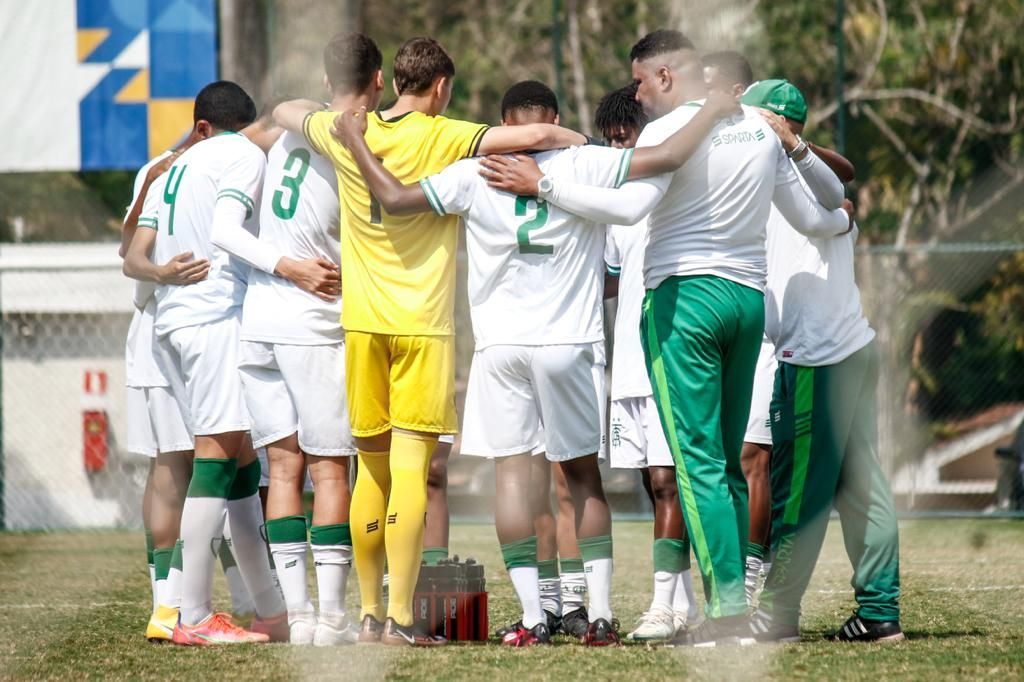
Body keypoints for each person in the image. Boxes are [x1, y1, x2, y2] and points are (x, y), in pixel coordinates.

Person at [480, 29, 854, 646]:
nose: (636, 94)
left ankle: (727, 613)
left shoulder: (663, 135)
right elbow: (821, 213)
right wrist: (817, 174)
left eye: (640, 81)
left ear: (666, 77)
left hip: (685, 304)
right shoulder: (761, 131)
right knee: (728, 463)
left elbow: (626, 211)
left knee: (696, 465)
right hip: (747, 304)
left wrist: (542, 185)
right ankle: (739, 606)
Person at [273, 38, 588, 646]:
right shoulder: (444, 135)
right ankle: (400, 619)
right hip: (422, 324)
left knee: (371, 470)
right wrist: (576, 142)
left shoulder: (341, 131)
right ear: (441, 87)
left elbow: (286, 110)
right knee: (412, 471)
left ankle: (366, 615)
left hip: (360, 322)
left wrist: (333, 118)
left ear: (393, 80)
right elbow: (530, 138)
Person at [331, 79, 629, 646]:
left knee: (513, 482)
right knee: (584, 477)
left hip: (501, 346)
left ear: (503, 122)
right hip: (569, 341)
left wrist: (355, 142)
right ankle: (602, 616)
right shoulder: (587, 162)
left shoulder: (474, 171)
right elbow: (653, 166)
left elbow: (391, 200)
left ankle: (534, 619)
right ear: (555, 120)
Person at [124, 81, 307, 645]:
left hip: (175, 323)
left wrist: (162, 276)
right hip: (215, 318)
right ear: (245, 123)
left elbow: (134, 253)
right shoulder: (242, 156)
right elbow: (229, 230)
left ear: (202, 122)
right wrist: (288, 266)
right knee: (216, 454)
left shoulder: (173, 164)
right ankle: (193, 615)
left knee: (242, 463)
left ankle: (270, 610)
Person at [741, 80, 903, 643]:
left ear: (777, 125)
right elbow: (838, 186)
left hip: (817, 361)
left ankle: (778, 614)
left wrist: (787, 144)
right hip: (852, 351)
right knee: (863, 488)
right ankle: (880, 612)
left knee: (796, 496)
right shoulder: (803, 186)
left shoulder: (807, 193)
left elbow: (823, 206)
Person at [239, 32, 384, 647]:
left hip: (258, 319)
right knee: (330, 470)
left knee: (282, 467)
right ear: (378, 82)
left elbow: (271, 118)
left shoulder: (287, 131)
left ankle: (295, 615)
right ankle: (329, 618)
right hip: (311, 322)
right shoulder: (360, 141)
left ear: (327, 82)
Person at [598, 84, 700, 642]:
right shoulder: (618, 208)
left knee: (668, 480)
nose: (620, 150)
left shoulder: (671, 193)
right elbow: (613, 277)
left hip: (669, 358)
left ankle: (663, 605)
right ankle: (685, 605)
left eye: (627, 138)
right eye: (611, 141)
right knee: (650, 482)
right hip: (628, 366)